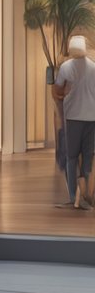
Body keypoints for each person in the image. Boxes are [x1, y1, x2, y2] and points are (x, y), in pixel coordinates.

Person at [53, 35, 95, 209]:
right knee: (88, 156)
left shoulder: (65, 67)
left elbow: (57, 90)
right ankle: (85, 195)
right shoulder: (94, 67)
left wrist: (66, 94)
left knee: (71, 157)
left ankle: (73, 196)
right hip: (92, 117)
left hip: (73, 118)